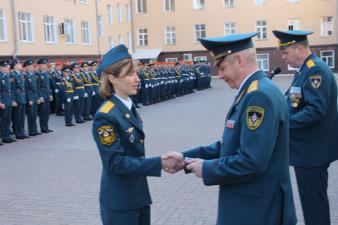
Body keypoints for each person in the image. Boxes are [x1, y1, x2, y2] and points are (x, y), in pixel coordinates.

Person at [165, 33, 297, 225]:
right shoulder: (255, 90)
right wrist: (184, 158)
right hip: (255, 205)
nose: (220, 75)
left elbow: (251, 161)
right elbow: (230, 146)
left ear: (240, 60)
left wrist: (207, 168)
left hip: (255, 210)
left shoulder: (258, 96)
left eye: (222, 67)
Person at [92, 44, 183, 225]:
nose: (137, 79)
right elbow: (115, 163)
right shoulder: (106, 115)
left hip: (138, 194)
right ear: (113, 78)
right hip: (120, 202)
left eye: (136, 72)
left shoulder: (128, 106)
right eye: (130, 74)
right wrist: (159, 163)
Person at [272, 29, 338, 225]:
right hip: (307, 152)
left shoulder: (315, 70)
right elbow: (293, 101)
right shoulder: (304, 70)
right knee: (312, 205)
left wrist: (283, 123)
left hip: (313, 152)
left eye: (285, 53)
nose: (283, 57)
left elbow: (315, 111)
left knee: (314, 207)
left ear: (299, 49)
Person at [24, 59, 41, 136]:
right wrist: (29, 99)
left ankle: (35, 129)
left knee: (34, 115)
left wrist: (37, 98)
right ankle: (31, 131)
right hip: (30, 97)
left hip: (35, 96)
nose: (32, 67)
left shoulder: (34, 75)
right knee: (30, 115)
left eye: (32, 66)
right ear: (27, 67)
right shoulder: (25, 76)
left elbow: (36, 88)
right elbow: (26, 89)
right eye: (30, 66)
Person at [36, 58, 53, 133]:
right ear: (39, 65)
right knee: (42, 113)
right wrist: (40, 96)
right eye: (44, 64)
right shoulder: (37, 74)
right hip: (42, 95)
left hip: (47, 94)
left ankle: (46, 127)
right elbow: (38, 86)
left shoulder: (46, 73)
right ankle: (43, 128)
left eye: (46, 64)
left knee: (47, 112)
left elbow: (48, 85)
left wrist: (50, 94)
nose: (45, 65)